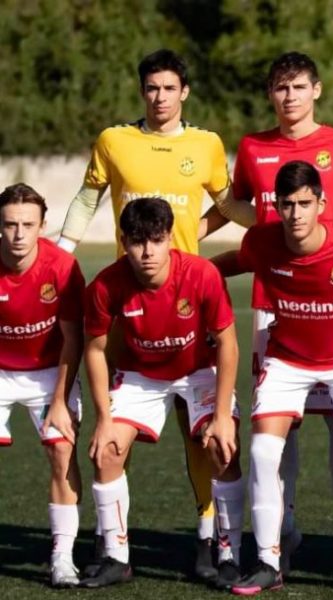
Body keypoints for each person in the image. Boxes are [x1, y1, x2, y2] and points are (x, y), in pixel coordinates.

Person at [209, 50, 333, 581]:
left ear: (316, 90)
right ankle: (281, 534)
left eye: (299, 86)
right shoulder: (253, 147)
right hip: (274, 306)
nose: (290, 97)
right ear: (270, 95)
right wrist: (181, 242)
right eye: (281, 88)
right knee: (278, 435)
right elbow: (236, 206)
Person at [56, 48, 250, 580]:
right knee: (112, 439)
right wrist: (62, 252)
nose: (160, 97)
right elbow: (87, 199)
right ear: (142, 91)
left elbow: (227, 205)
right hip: (130, 303)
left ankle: (212, 541)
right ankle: (113, 547)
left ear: (184, 91)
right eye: (151, 88)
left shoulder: (206, 144)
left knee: (205, 437)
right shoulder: (115, 140)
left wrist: (278, 228)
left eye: (169, 88)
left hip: (188, 295)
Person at [226, 160, 333, 596]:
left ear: (321, 203)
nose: (295, 214)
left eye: (304, 203)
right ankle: (267, 561)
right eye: (287, 205)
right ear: (276, 206)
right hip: (287, 360)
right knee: (263, 452)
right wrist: (188, 270)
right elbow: (236, 261)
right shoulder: (261, 241)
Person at [80, 198, 242, 589]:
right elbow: (95, 350)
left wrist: (223, 416)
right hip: (141, 375)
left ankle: (228, 554)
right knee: (107, 450)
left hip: (198, 370)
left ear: (170, 238)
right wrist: (103, 419)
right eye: (137, 241)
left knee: (222, 448)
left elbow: (228, 343)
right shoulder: (105, 284)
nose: (147, 251)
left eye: (155, 240)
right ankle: (116, 557)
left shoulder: (201, 274)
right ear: (123, 241)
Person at [0, 183, 84, 587]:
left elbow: (73, 339)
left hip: (50, 369)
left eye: (27, 225)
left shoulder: (62, 268)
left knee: (62, 450)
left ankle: (63, 557)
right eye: (10, 225)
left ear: (43, 225)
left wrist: (60, 400)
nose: (19, 235)